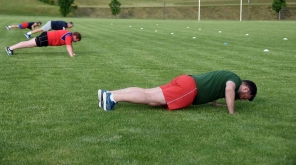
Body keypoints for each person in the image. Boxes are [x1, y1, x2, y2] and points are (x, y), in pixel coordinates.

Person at [98, 70, 257, 114]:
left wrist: (215, 103)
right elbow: (229, 89)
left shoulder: (229, 77)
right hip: (190, 89)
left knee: (150, 96)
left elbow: (216, 87)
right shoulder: (235, 81)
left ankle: (107, 93)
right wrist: (231, 112)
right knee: (150, 98)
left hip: (186, 81)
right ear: (245, 88)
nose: (242, 99)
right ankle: (113, 97)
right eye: (245, 96)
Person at [5, 30, 81, 57]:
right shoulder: (69, 36)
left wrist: (73, 53)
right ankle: (10, 48)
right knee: (29, 44)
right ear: (75, 36)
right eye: (76, 40)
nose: (75, 41)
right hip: (47, 39)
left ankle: (10, 48)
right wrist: (72, 56)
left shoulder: (68, 33)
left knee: (28, 43)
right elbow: (68, 46)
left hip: (46, 35)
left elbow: (70, 45)